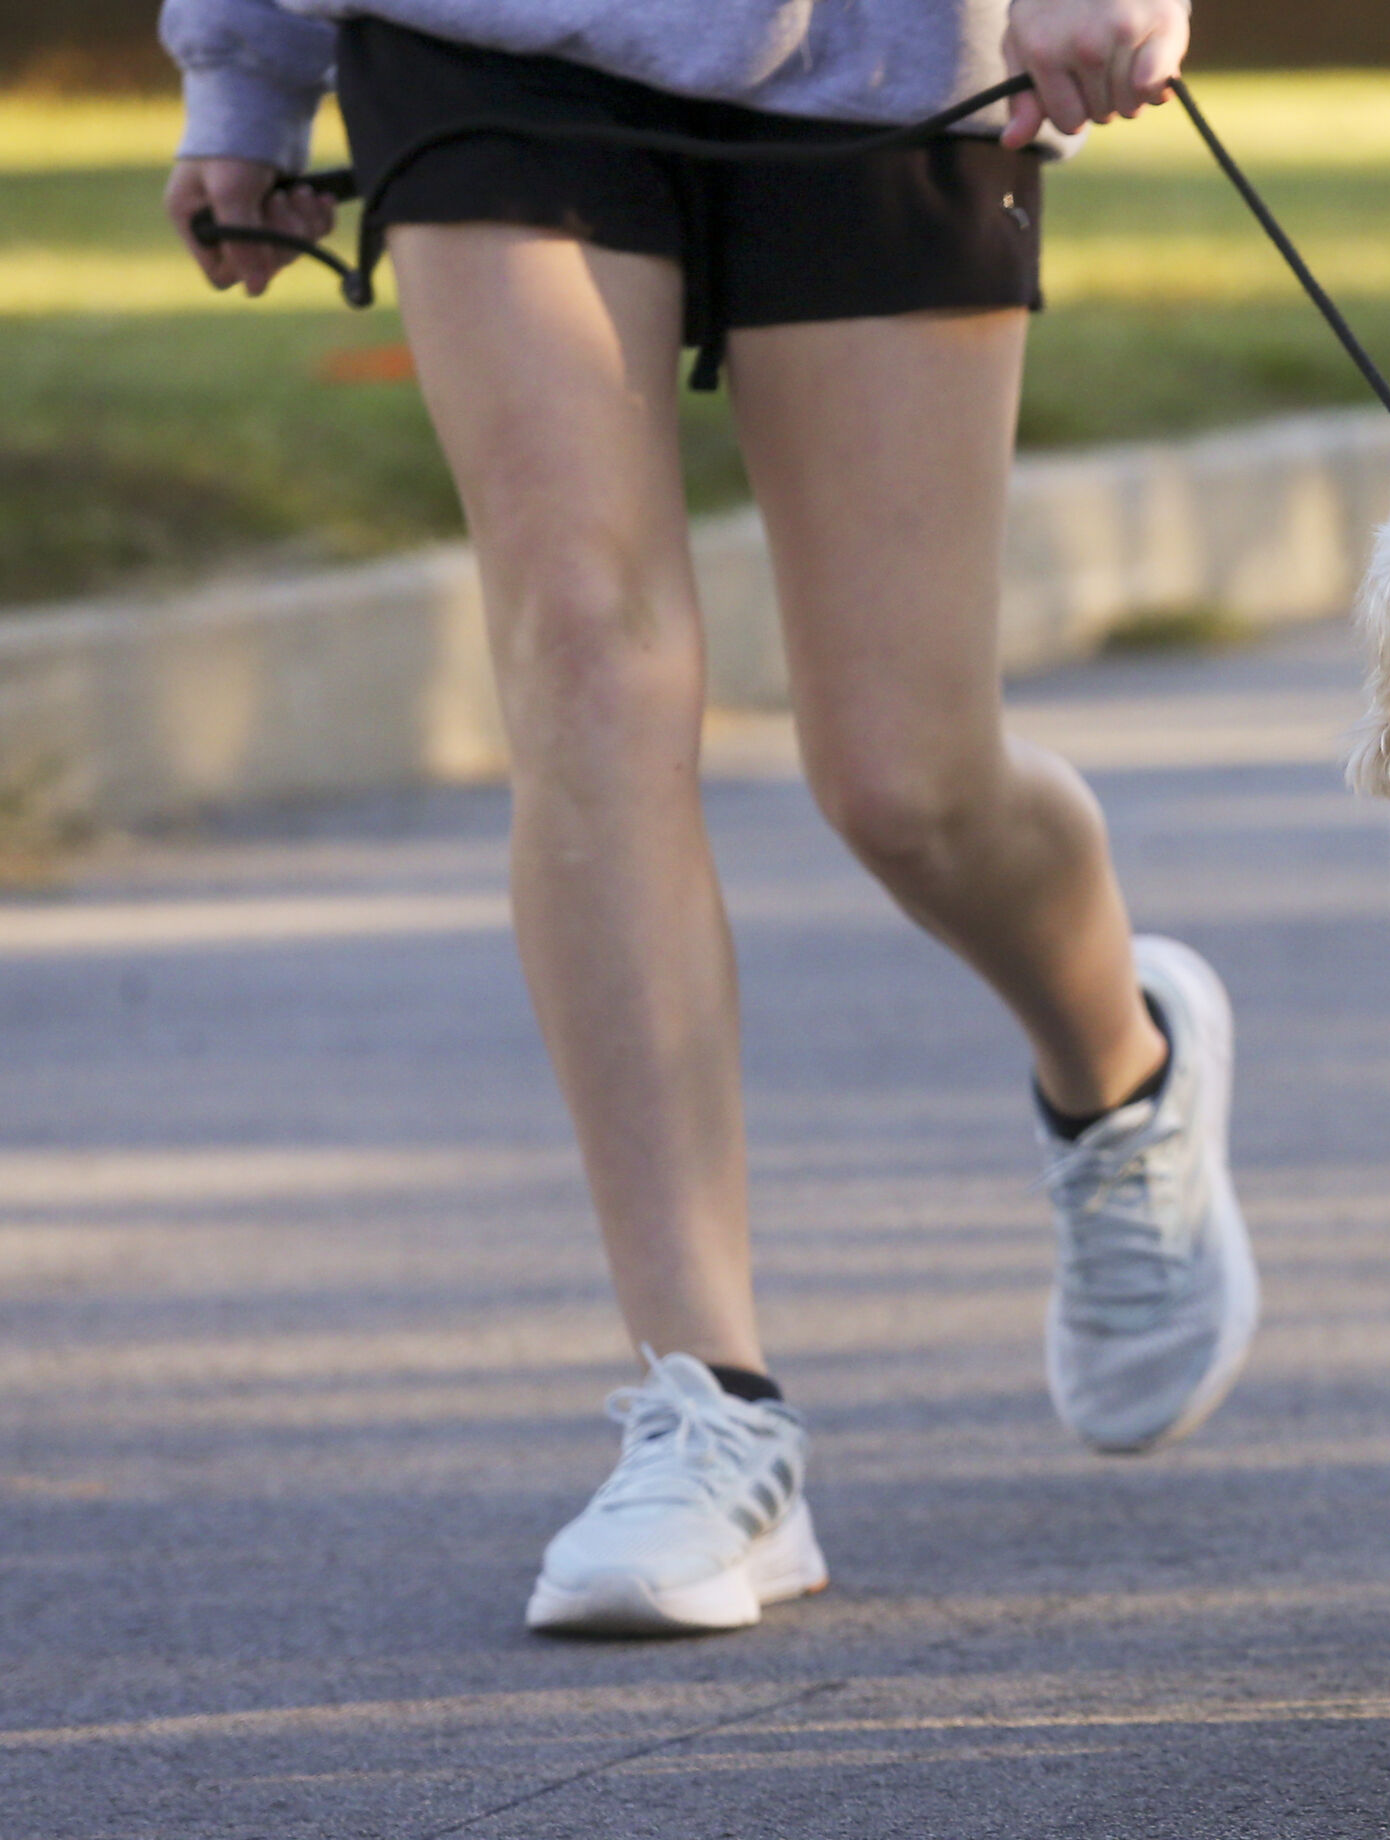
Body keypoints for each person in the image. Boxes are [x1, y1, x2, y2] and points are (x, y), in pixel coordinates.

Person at [159, 0, 1255, 1637]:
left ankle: (1121, 1074)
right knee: (586, 657)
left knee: (908, 780)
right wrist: (245, 62)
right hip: (483, 42)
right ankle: (712, 1410)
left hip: (895, 53)